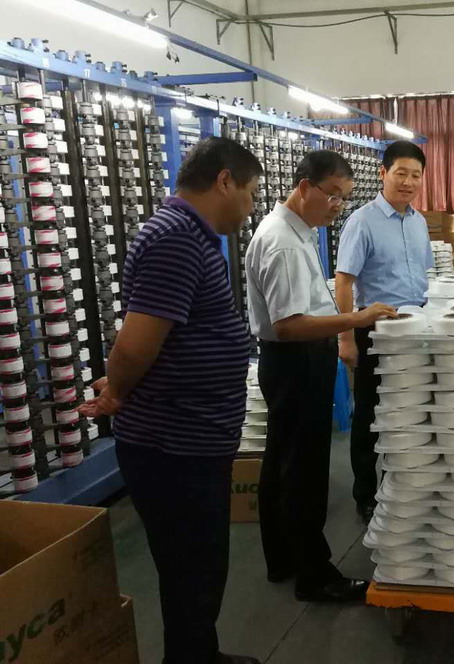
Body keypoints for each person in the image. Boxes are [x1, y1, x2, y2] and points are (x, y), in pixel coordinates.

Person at [79, 137, 262, 664]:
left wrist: (122, 384)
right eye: (250, 192)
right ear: (224, 181)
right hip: (174, 446)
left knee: (196, 569)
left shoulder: (186, 236)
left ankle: (198, 654)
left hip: (189, 438)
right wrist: (117, 390)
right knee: (193, 570)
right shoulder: (178, 237)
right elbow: (135, 344)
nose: (251, 208)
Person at [245, 150, 397, 601]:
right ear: (304, 187)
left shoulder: (297, 231)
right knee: (305, 471)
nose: (337, 207)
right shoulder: (284, 243)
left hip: (292, 361)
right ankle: (314, 575)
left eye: (344, 198)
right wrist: (356, 320)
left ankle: (283, 559)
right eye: (332, 195)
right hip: (296, 361)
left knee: (282, 462)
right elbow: (288, 325)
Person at [335, 140, 434, 524]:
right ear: (383, 173)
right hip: (376, 330)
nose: (408, 182)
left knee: (411, 410)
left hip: (416, 328)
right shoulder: (362, 221)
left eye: (415, 175)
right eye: (400, 173)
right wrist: (346, 338)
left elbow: (423, 274)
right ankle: (366, 494)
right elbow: (344, 283)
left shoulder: (419, 221)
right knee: (369, 415)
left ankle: (404, 485)